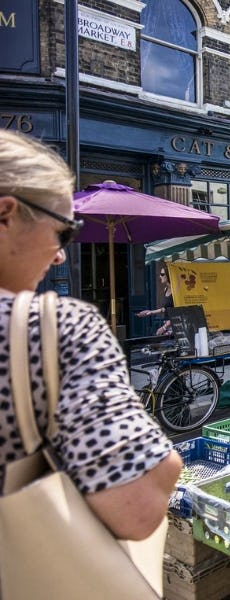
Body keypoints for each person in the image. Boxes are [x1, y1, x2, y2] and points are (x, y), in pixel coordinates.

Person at [0, 129, 181, 541]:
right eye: (63, 231)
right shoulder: (52, 328)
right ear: (6, 215)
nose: (62, 253)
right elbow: (140, 502)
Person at [136, 264, 175, 336]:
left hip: (174, 325)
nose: (160, 276)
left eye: (162, 274)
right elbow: (164, 309)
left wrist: (164, 328)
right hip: (167, 323)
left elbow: (177, 312)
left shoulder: (176, 291)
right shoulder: (165, 289)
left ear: (169, 275)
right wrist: (150, 312)